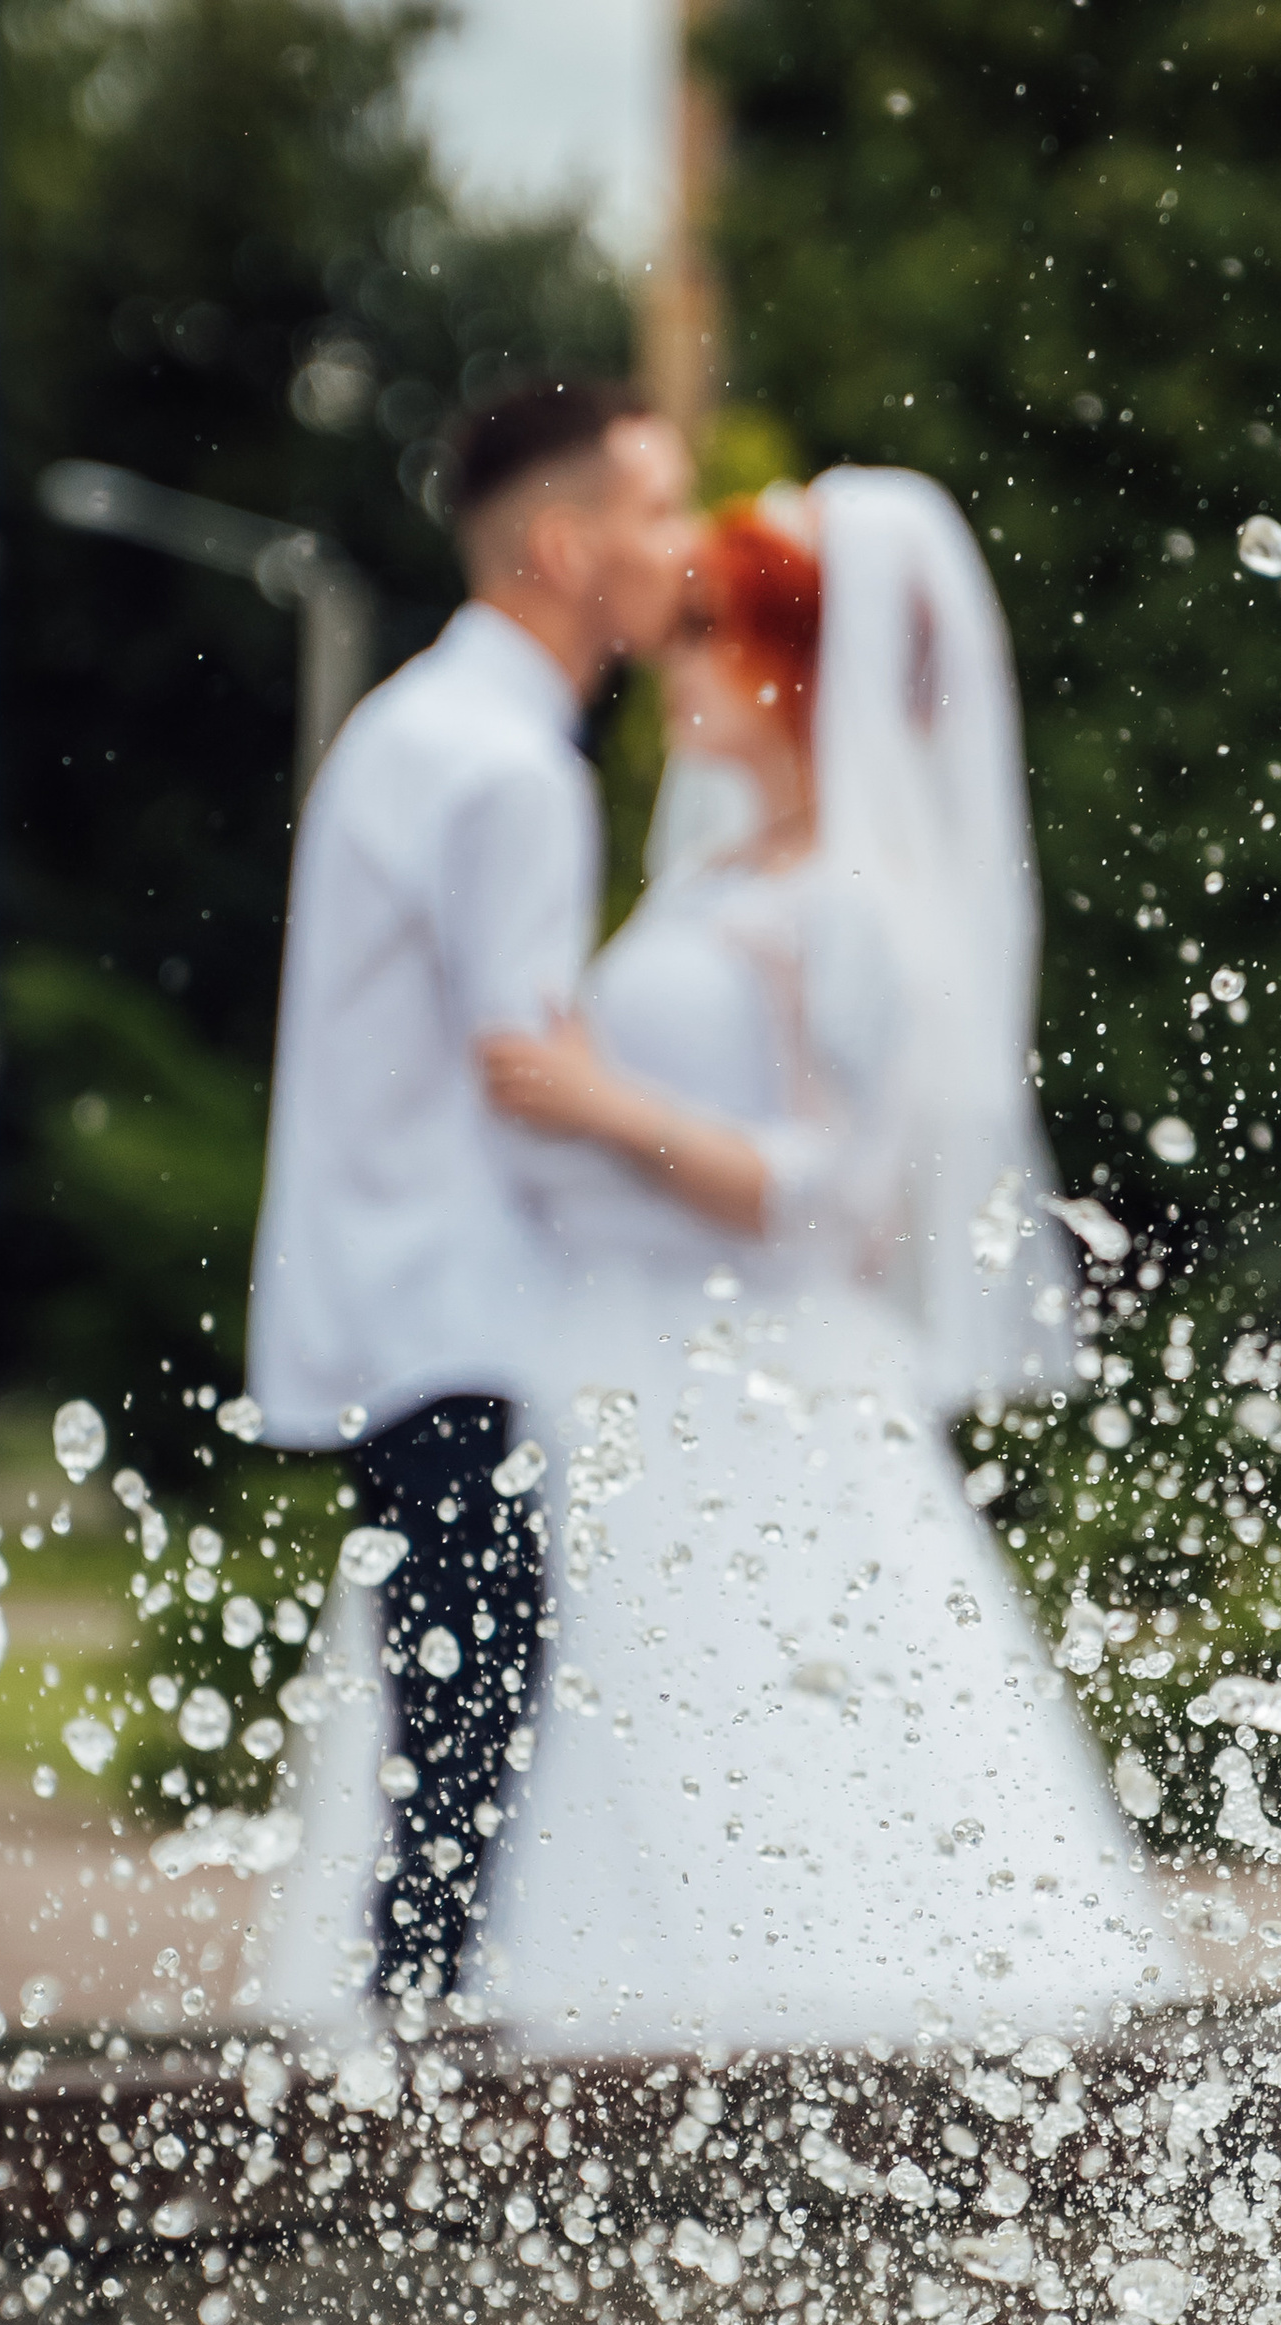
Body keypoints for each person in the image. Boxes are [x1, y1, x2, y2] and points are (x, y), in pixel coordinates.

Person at [443, 482, 1173, 2054]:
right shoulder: (717, 873)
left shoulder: (860, 906)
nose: (676, 661)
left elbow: (847, 1202)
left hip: (759, 1369)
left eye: (714, 628)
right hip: (614, 1357)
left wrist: (601, 1103)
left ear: (799, 662)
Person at [247, 373, 693, 2025]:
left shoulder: (415, 724)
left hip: (384, 1280)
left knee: (450, 1682)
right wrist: (717, 1178)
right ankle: (415, 2064)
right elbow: (532, 1071)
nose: (680, 546)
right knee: (474, 1689)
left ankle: (411, 2030)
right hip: (450, 1296)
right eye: (654, 511)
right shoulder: (512, 768)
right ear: (563, 548)